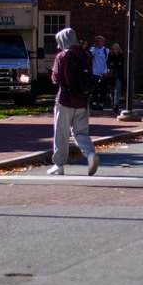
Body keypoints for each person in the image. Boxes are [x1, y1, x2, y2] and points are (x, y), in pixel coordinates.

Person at [48, 28, 99, 176]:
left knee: (61, 133)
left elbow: (56, 79)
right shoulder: (87, 55)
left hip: (64, 100)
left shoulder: (62, 56)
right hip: (83, 100)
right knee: (81, 132)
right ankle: (90, 154)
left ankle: (59, 165)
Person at [89, 35, 111, 110]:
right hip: (95, 71)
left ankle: (101, 103)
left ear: (103, 42)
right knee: (95, 88)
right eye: (97, 41)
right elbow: (90, 54)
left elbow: (108, 61)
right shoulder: (94, 49)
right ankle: (94, 103)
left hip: (103, 72)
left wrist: (105, 71)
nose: (99, 42)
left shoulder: (106, 50)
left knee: (103, 89)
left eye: (100, 41)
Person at [108, 42, 126, 111]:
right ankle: (113, 104)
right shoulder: (110, 55)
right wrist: (114, 64)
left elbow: (120, 65)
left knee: (117, 91)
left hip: (119, 76)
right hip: (111, 76)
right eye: (114, 49)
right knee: (112, 92)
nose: (115, 50)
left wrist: (114, 64)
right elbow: (109, 65)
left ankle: (116, 105)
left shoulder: (121, 55)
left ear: (119, 49)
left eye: (117, 49)